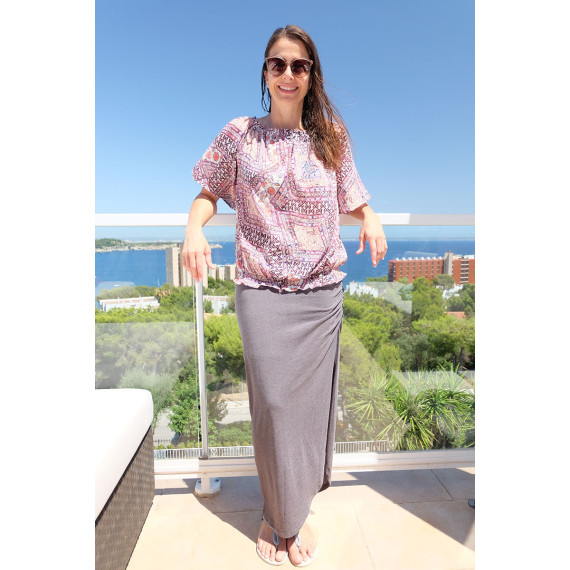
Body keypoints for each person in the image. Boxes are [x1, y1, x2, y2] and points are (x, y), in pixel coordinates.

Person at [183, 24, 387, 567]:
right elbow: (207, 193)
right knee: (273, 407)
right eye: (279, 64)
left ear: (311, 75)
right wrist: (193, 230)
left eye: (300, 65)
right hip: (262, 291)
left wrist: (369, 216)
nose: (289, 74)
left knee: (308, 413)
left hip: (321, 293)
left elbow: (351, 194)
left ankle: (288, 516)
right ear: (265, 73)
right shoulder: (240, 135)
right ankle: (281, 513)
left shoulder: (331, 136)